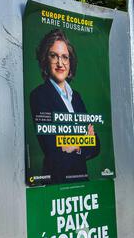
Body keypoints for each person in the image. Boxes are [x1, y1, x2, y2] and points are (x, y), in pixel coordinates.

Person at [29, 29, 100, 184]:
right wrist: (82, 141)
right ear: (45, 60)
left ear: (70, 62)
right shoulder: (39, 96)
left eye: (65, 57)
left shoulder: (77, 97)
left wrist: (73, 146)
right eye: (54, 56)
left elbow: (96, 145)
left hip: (82, 181)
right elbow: (52, 149)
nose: (60, 63)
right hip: (56, 184)